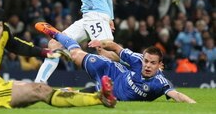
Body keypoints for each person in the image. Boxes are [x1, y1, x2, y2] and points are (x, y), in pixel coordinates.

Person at [0, 5, 116, 108]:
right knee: (40, 91)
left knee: (41, 89)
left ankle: (98, 96)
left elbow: (15, 45)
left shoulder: (3, 31)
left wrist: (44, 52)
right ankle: (99, 98)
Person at [35, 22, 196, 103]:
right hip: (109, 70)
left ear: (159, 65)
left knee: (79, 98)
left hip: (109, 91)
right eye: (146, 61)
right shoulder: (137, 60)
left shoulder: (159, 83)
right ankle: (55, 33)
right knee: (76, 55)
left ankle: (67, 91)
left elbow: (176, 94)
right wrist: (101, 44)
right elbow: (115, 47)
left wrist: (192, 103)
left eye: (152, 63)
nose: (147, 65)